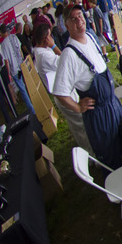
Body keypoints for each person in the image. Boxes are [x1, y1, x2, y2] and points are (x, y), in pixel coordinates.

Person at [52, 5, 122, 171]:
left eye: (80, 15)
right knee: (110, 155)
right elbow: (60, 93)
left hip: (113, 103)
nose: (79, 21)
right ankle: (121, 187)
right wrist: (77, 107)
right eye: (73, 19)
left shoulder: (90, 36)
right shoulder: (68, 55)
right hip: (98, 115)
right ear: (67, 25)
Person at [32, 23, 92, 153]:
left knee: (76, 125)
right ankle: (91, 152)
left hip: (64, 91)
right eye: (50, 36)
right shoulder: (44, 56)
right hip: (65, 94)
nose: (52, 38)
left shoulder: (40, 51)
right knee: (81, 124)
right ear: (45, 39)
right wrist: (54, 46)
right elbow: (65, 60)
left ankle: (87, 151)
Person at [0, 23, 36, 116]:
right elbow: (20, 50)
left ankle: (32, 109)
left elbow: (6, 61)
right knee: (28, 84)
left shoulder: (3, 44)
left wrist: (8, 74)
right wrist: (22, 60)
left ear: (1, 33)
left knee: (23, 89)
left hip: (14, 69)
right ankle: (35, 100)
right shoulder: (14, 37)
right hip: (21, 64)